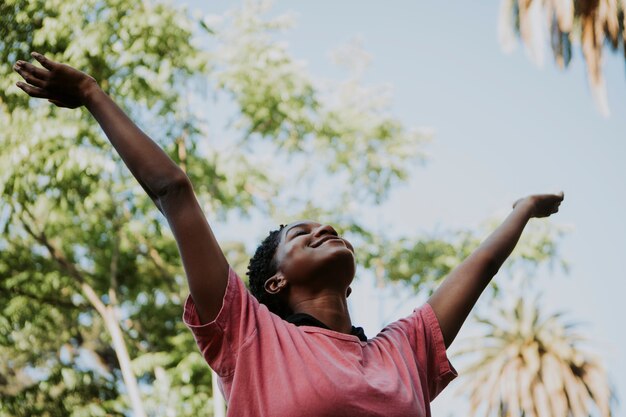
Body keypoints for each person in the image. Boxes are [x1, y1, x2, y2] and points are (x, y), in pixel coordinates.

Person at [14, 52, 564, 417]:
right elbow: (174, 192)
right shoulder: (248, 334)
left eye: (328, 228)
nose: (325, 229)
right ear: (273, 283)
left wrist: (521, 211)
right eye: (303, 235)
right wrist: (90, 92)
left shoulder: (403, 351)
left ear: (350, 287)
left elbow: (481, 267)